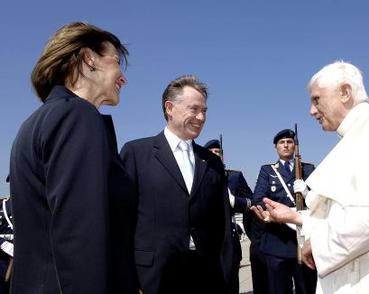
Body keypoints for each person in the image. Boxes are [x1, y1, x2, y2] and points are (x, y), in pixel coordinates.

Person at [252, 61, 369, 293]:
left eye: (316, 99)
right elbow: (349, 217)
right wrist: (296, 217)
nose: (312, 111)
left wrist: (319, 245)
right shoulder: (361, 133)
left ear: (345, 92)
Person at [8, 22, 137, 293]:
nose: (123, 78)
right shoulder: (77, 116)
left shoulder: (36, 122)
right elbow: (81, 237)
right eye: (116, 62)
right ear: (90, 58)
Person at [120, 75, 232, 294]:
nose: (201, 117)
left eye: (205, 111)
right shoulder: (136, 153)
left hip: (206, 275)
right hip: (153, 276)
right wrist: (128, 278)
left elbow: (223, 225)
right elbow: (122, 221)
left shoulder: (211, 162)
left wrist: (225, 271)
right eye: (194, 109)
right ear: (170, 108)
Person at [252, 129, 317, 294]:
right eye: (282, 142)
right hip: (277, 242)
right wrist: (281, 215)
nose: (286, 145)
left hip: (303, 242)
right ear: (276, 147)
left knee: (307, 288)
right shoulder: (268, 171)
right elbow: (258, 199)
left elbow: (322, 200)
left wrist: (308, 193)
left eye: (289, 142)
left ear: (295, 146)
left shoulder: (307, 168)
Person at [204, 139, 253, 294]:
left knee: (230, 284)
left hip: (228, 238)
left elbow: (252, 201)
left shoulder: (234, 177)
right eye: (210, 152)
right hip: (204, 239)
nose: (214, 155)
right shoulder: (196, 177)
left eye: (217, 152)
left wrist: (235, 201)